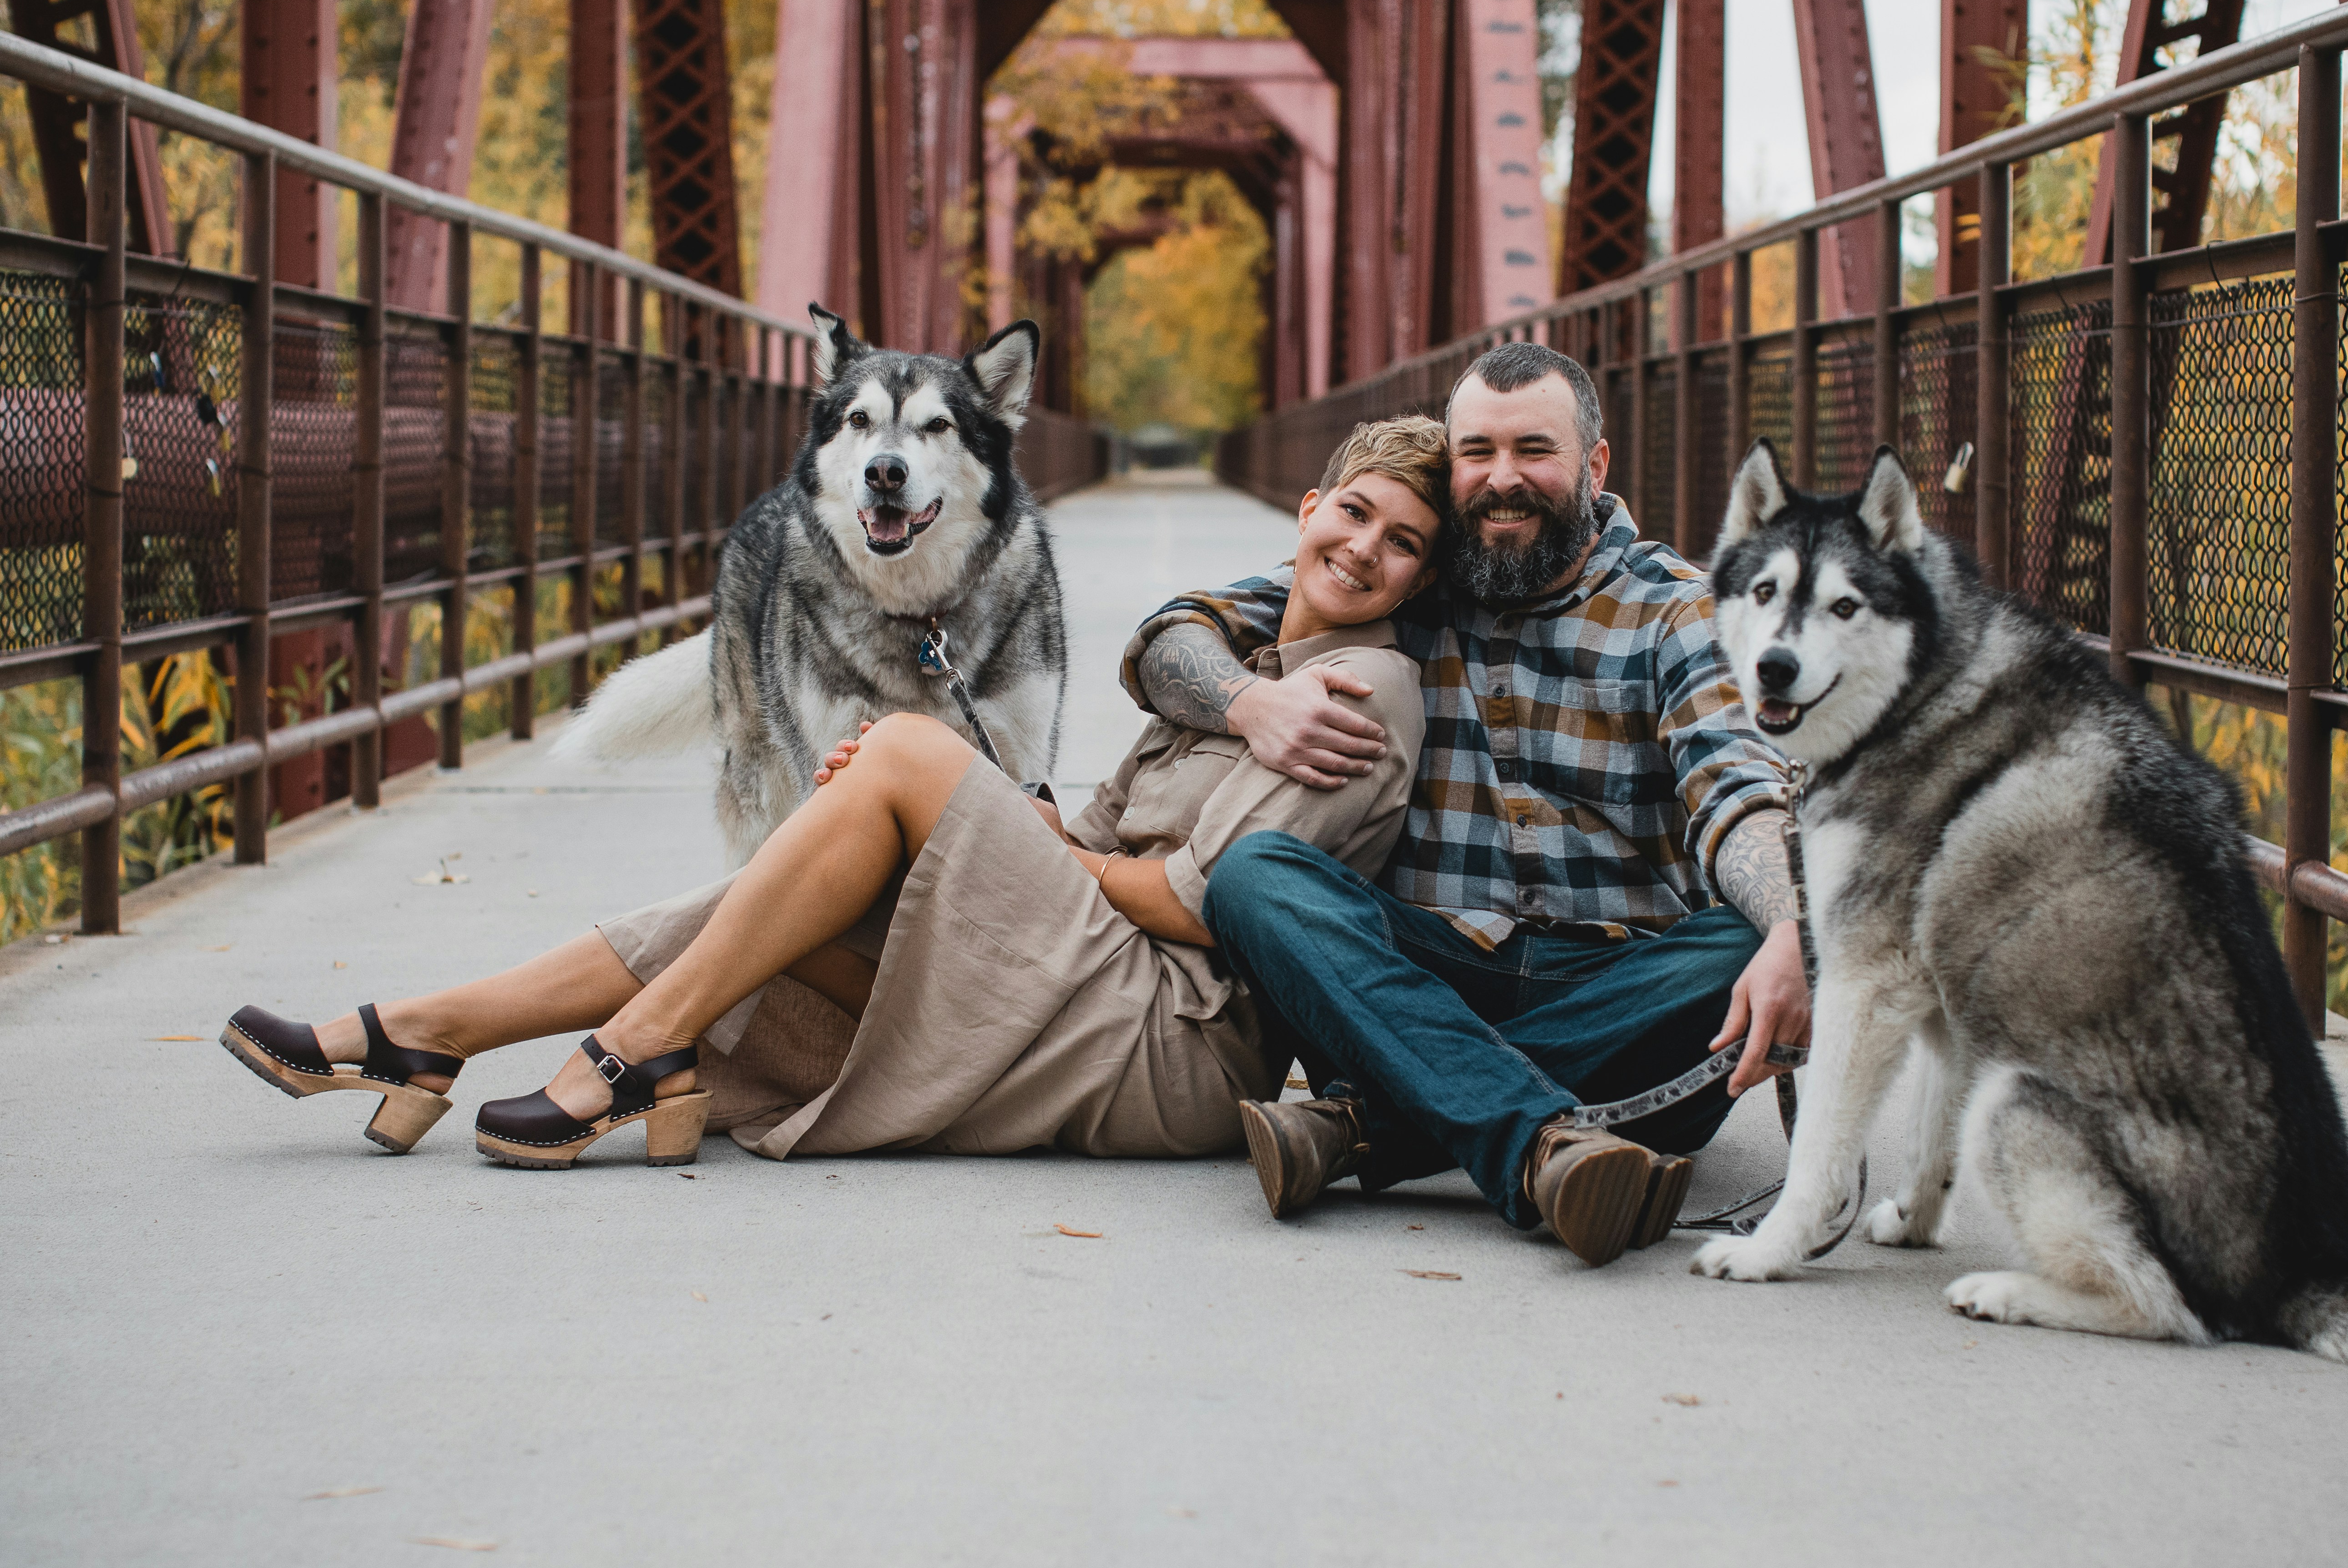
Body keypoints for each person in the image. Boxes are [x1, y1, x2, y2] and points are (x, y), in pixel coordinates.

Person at [218, 418, 1447, 1169]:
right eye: (1353, 513)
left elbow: (1202, 905)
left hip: (1171, 1042)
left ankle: (635, 1050)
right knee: (813, 882)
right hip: (1090, 983)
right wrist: (959, 829)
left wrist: (966, 814)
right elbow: (1092, 834)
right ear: (1307, 510)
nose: (1362, 549)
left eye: (1401, 544)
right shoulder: (1245, 665)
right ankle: (432, 1033)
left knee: (907, 753)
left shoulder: (1363, 694)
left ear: (1421, 579)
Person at [1122, 342, 1811, 1268]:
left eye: (1534, 450)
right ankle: (1535, 1144)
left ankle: (1372, 1125)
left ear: (1594, 465)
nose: (1502, 479)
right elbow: (1170, 636)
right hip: (1419, 970)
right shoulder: (1411, 571)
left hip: (1622, 993)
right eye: (1476, 452)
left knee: (1739, 944)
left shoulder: (1678, 613)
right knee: (1254, 877)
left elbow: (1738, 792)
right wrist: (1249, 702)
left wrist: (1792, 927)